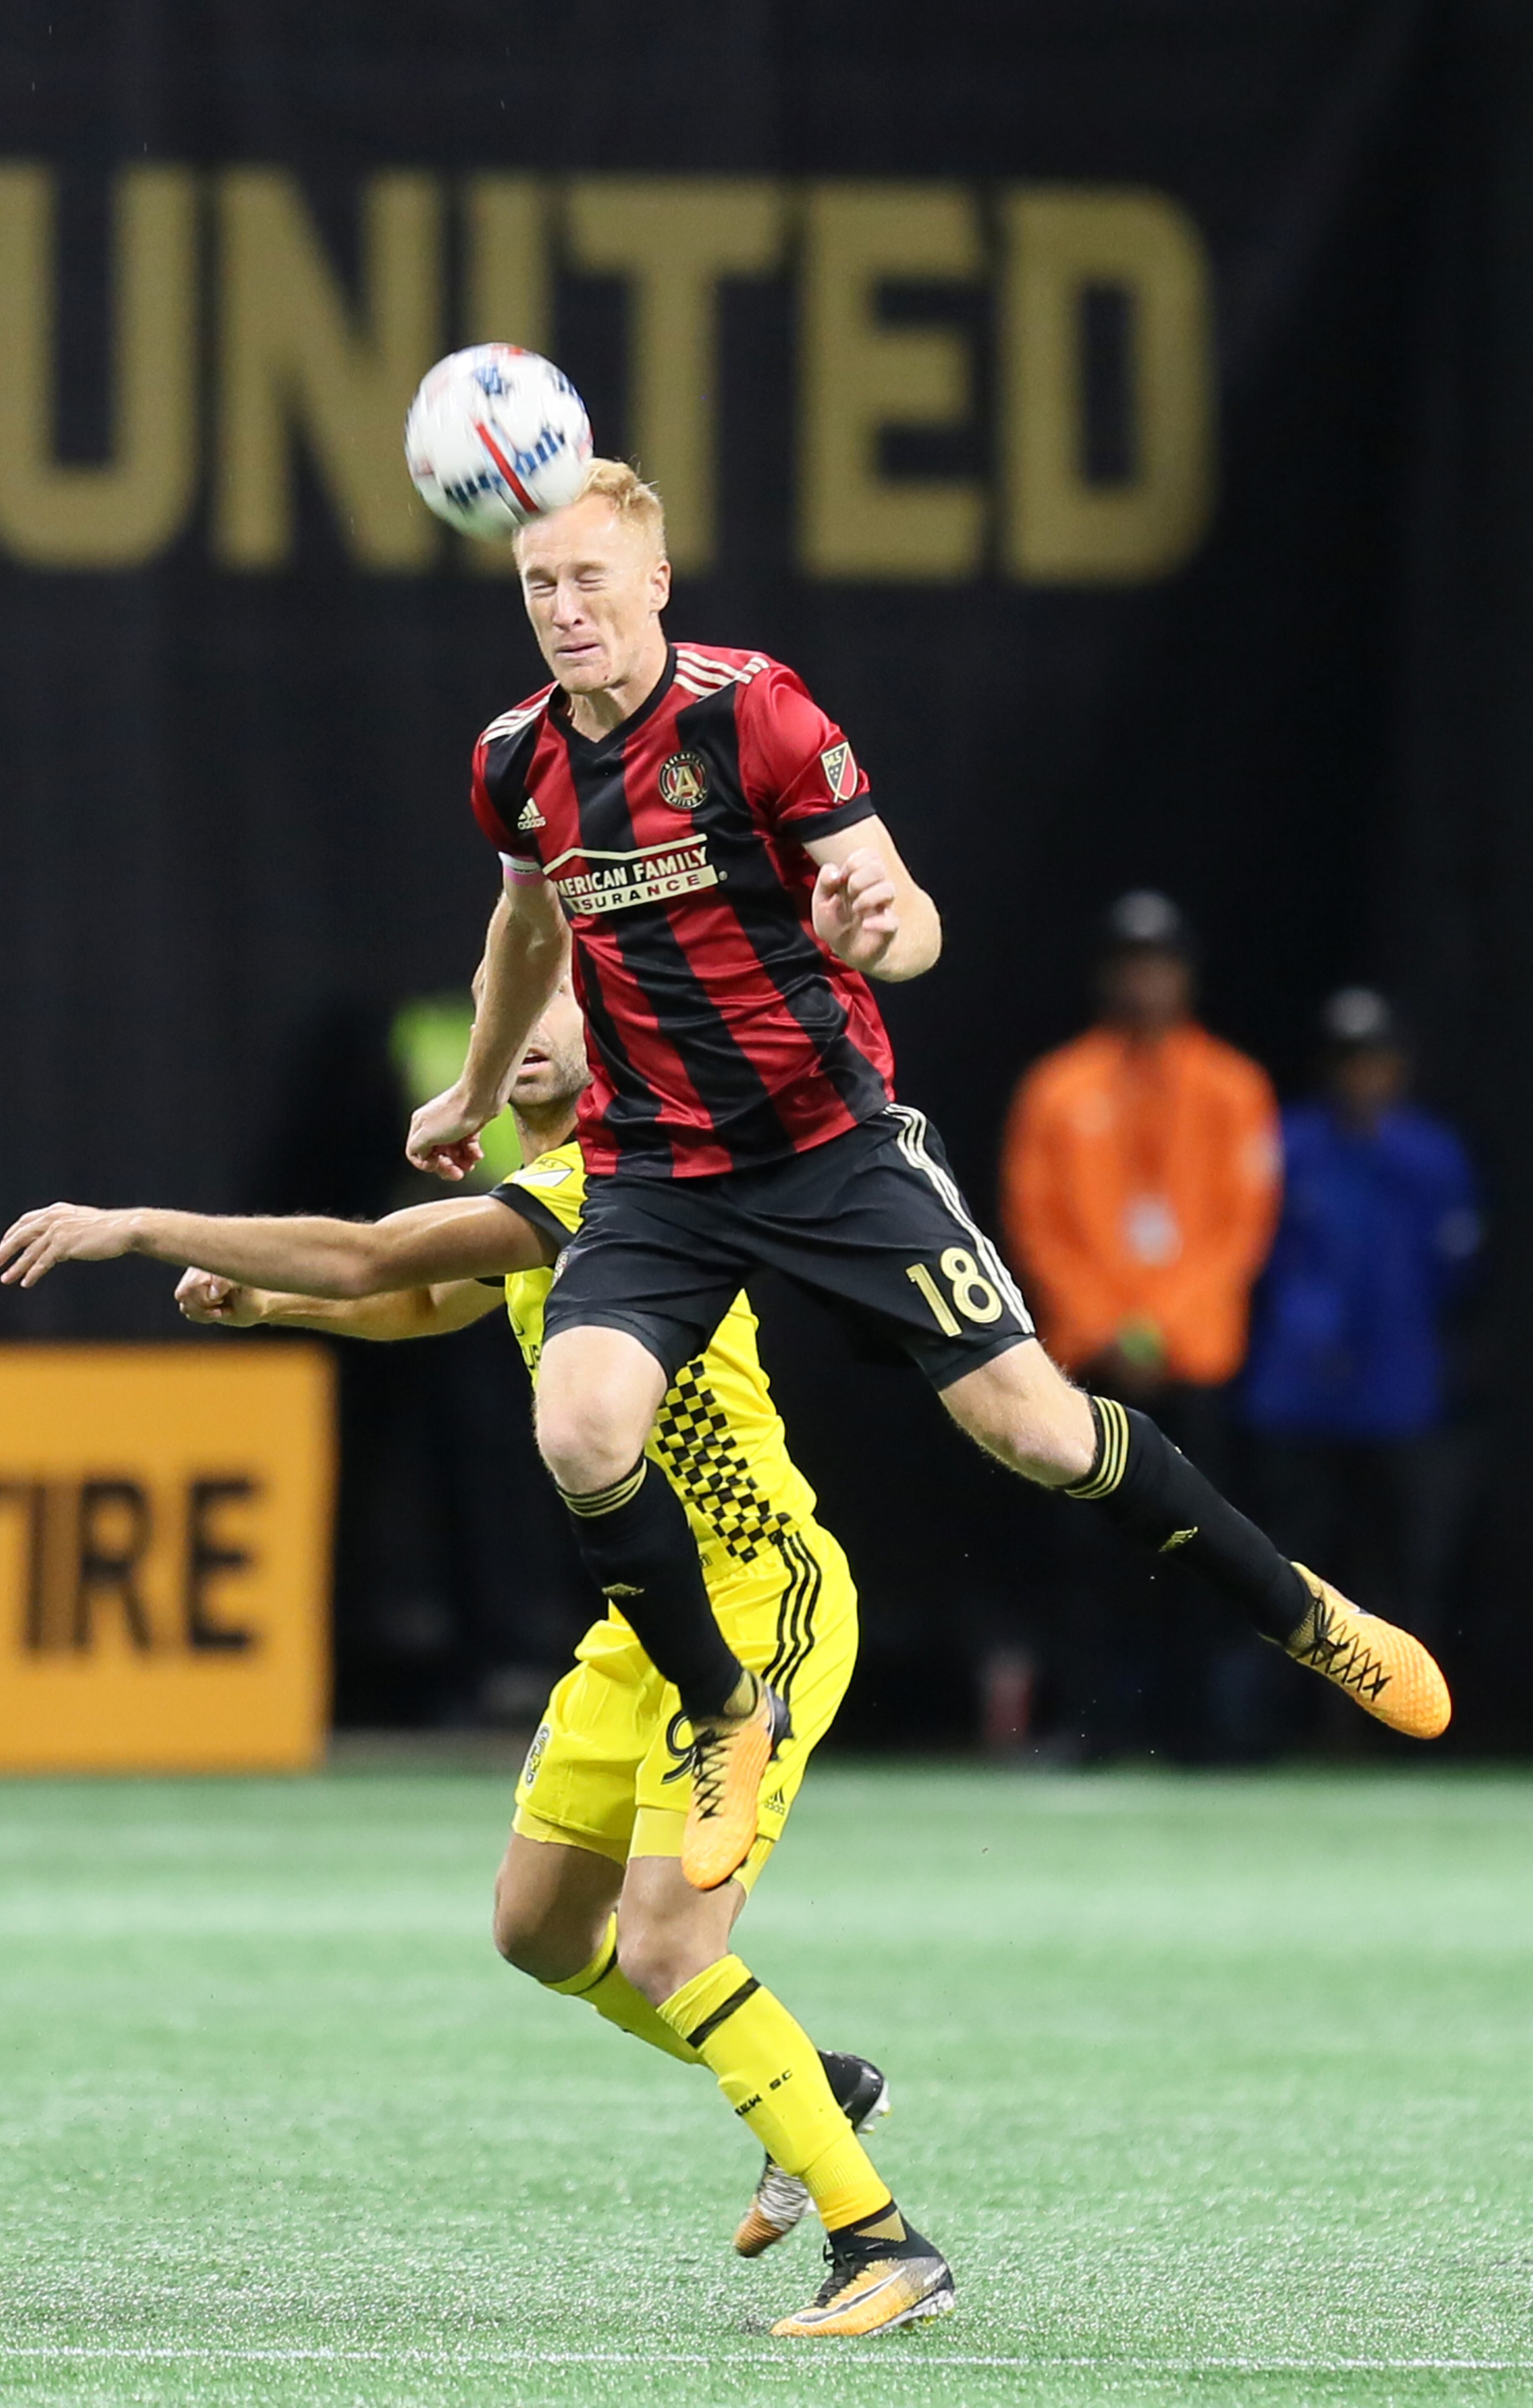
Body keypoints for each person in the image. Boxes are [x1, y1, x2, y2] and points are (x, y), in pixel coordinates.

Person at [394, 456, 1448, 2325]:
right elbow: (523, 931)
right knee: (579, 1418)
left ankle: (1306, 1614)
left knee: (1035, 1431)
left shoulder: (760, 713)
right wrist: (483, 1091)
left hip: (829, 1143)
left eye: (589, 577)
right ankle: (724, 1710)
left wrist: (892, 927)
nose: (562, 606)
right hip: (654, 1170)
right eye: (537, 581)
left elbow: (898, 900)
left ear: (655, 577)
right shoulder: (520, 759)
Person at [0, 973, 935, 2341]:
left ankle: (884, 2243)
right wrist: (278, 1313)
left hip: (755, 1601)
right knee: (539, 1932)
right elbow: (425, 1302)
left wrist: (138, 1226)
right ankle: (803, 2078)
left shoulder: (631, 1178)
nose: (522, 1020)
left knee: (671, 1941)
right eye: (508, 997)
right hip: (648, 1619)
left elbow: (379, 1258)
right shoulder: (548, 1195)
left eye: (551, 1000)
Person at [1001, 892, 1282, 1754]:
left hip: (1193, 1360)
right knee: (1088, 1559)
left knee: (1208, 1551)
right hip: (1090, 1363)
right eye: (1131, 962)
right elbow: (1033, 1223)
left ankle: (1202, 1734)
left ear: (1185, 975)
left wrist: (1164, 1327)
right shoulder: (1058, 1088)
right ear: (1108, 976)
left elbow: (1243, 1228)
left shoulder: (1234, 1087)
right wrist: (1111, 1328)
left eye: (1160, 963)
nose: (1146, 980)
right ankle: (1098, 1727)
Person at [1243, 986, 1482, 1658]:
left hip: (1398, 1392)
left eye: (1374, 1058)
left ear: (1397, 1066)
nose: (1362, 1075)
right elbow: (1256, 1256)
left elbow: (1457, 1272)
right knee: (1295, 1561)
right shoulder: (1288, 1144)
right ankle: (1290, 1720)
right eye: (1349, 1059)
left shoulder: (1431, 1155)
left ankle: (1404, 1720)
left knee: (1403, 1561)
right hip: (1299, 1390)